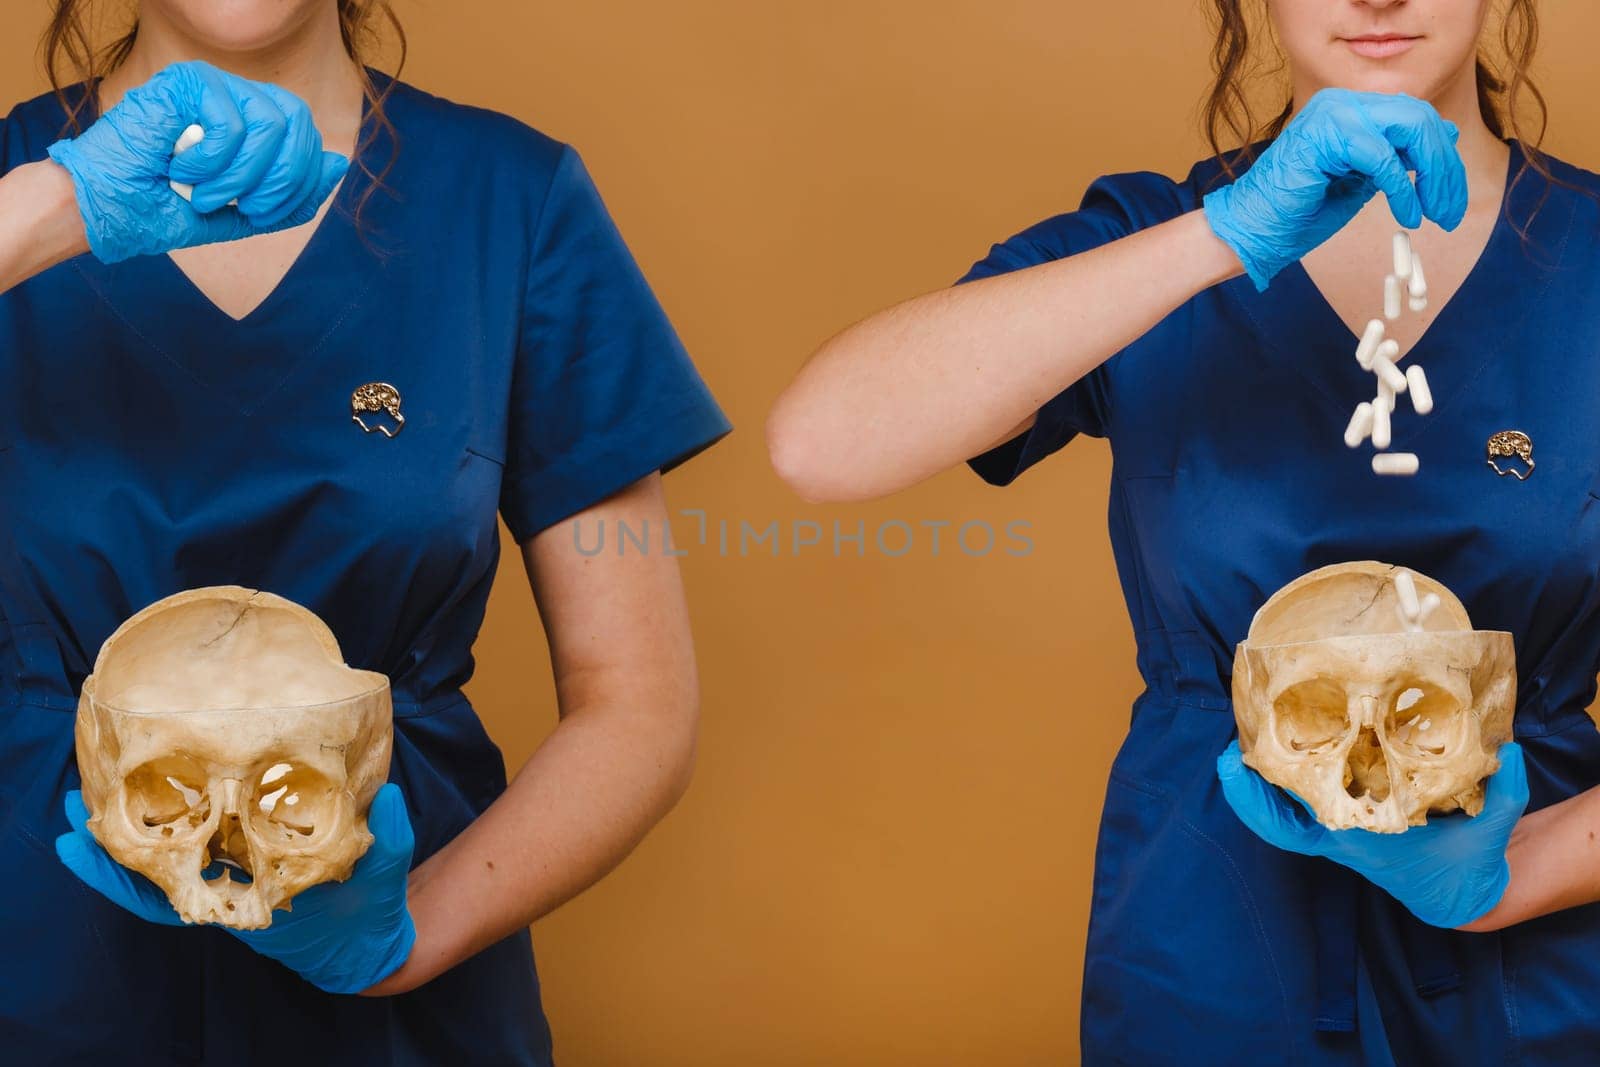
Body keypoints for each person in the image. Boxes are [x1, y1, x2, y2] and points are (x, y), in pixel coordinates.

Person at [769, 0, 1600, 1062]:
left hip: (1537, 989)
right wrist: (1218, 237)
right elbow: (820, 444)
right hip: (1210, 953)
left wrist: (1518, 876)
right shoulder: (1151, 240)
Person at [0, 1, 729, 1063]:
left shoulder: (510, 201)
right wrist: (43, 216)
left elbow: (639, 702)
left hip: (398, 989)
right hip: (35, 954)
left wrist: (408, 935)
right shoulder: (13, 194)